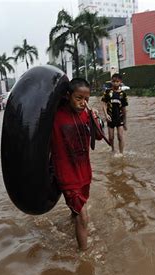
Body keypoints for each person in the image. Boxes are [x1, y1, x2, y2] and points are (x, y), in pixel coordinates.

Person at [50, 78, 103, 251]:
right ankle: (84, 257)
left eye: (86, 99)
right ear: (68, 95)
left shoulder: (87, 114)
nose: (82, 103)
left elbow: (99, 138)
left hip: (85, 171)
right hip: (66, 173)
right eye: (78, 98)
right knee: (83, 215)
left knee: (76, 212)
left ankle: (71, 225)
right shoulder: (54, 116)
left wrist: (95, 117)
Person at [101, 73, 129, 155]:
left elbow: (124, 109)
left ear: (120, 82)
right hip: (110, 118)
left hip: (119, 118)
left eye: (117, 81)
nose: (115, 83)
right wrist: (106, 115)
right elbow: (103, 104)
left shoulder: (123, 94)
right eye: (113, 81)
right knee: (111, 137)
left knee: (120, 136)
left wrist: (125, 122)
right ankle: (112, 149)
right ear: (111, 82)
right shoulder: (107, 92)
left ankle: (121, 153)